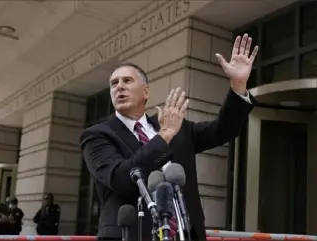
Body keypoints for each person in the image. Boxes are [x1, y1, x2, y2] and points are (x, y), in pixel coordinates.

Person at [79, 34, 258, 240]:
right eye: (113, 83)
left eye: (127, 80)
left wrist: (238, 85)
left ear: (146, 91)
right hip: (131, 234)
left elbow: (222, 131)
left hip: (185, 234)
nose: (119, 86)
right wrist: (163, 137)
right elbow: (121, 178)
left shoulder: (174, 126)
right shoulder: (97, 135)